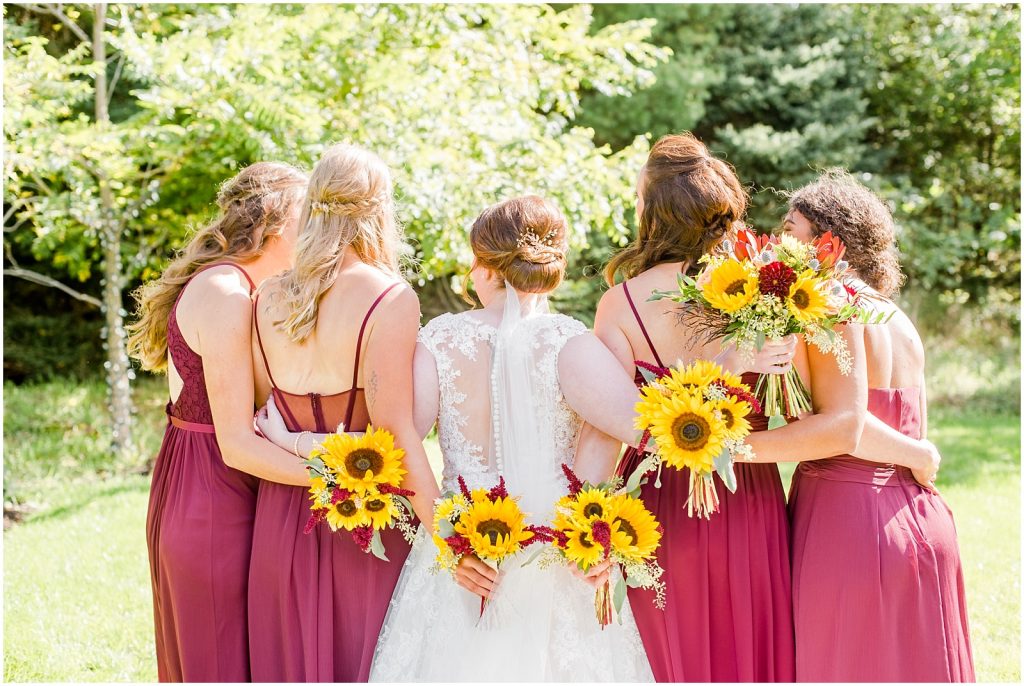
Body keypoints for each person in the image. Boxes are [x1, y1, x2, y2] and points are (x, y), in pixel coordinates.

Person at [262, 195, 656, 681]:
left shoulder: (441, 340)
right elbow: (654, 431)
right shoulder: (571, 344)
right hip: (560, 555)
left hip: (463, 547)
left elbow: (390, 447)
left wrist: (295, 440)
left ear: (483, 265)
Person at [589, 132, 805, 682]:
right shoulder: (759, 293)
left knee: (669, 653)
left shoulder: (619, 306)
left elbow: (610, 425)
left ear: (653, 214)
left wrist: (592, 519)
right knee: (746, 647)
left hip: (658, 504)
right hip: (746, 495)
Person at [245, 143, 437, 682]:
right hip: (365, 516)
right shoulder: (389, 297)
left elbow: (266, 413)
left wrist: (296, 442)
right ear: (379, 210)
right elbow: (395, 429)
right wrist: (445, 529)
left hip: (281, 516)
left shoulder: (267, 297)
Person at [782, 170, 974, 682]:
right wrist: (918, 456)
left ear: (830, 241)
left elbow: (844, 425)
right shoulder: (897, 318)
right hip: (921, 518)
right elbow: (912, 425)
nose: (779, 241)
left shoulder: (829, 310)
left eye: (791, 228)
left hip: (847, 523)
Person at [127, 162, 313, 682]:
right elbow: (235, 442)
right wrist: (345, 480)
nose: (321, 229)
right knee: (220, 663)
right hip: (213, 500)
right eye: (310, 214)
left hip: (212, 487)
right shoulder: (227, 295)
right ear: (276, 221)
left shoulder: (239, 286)